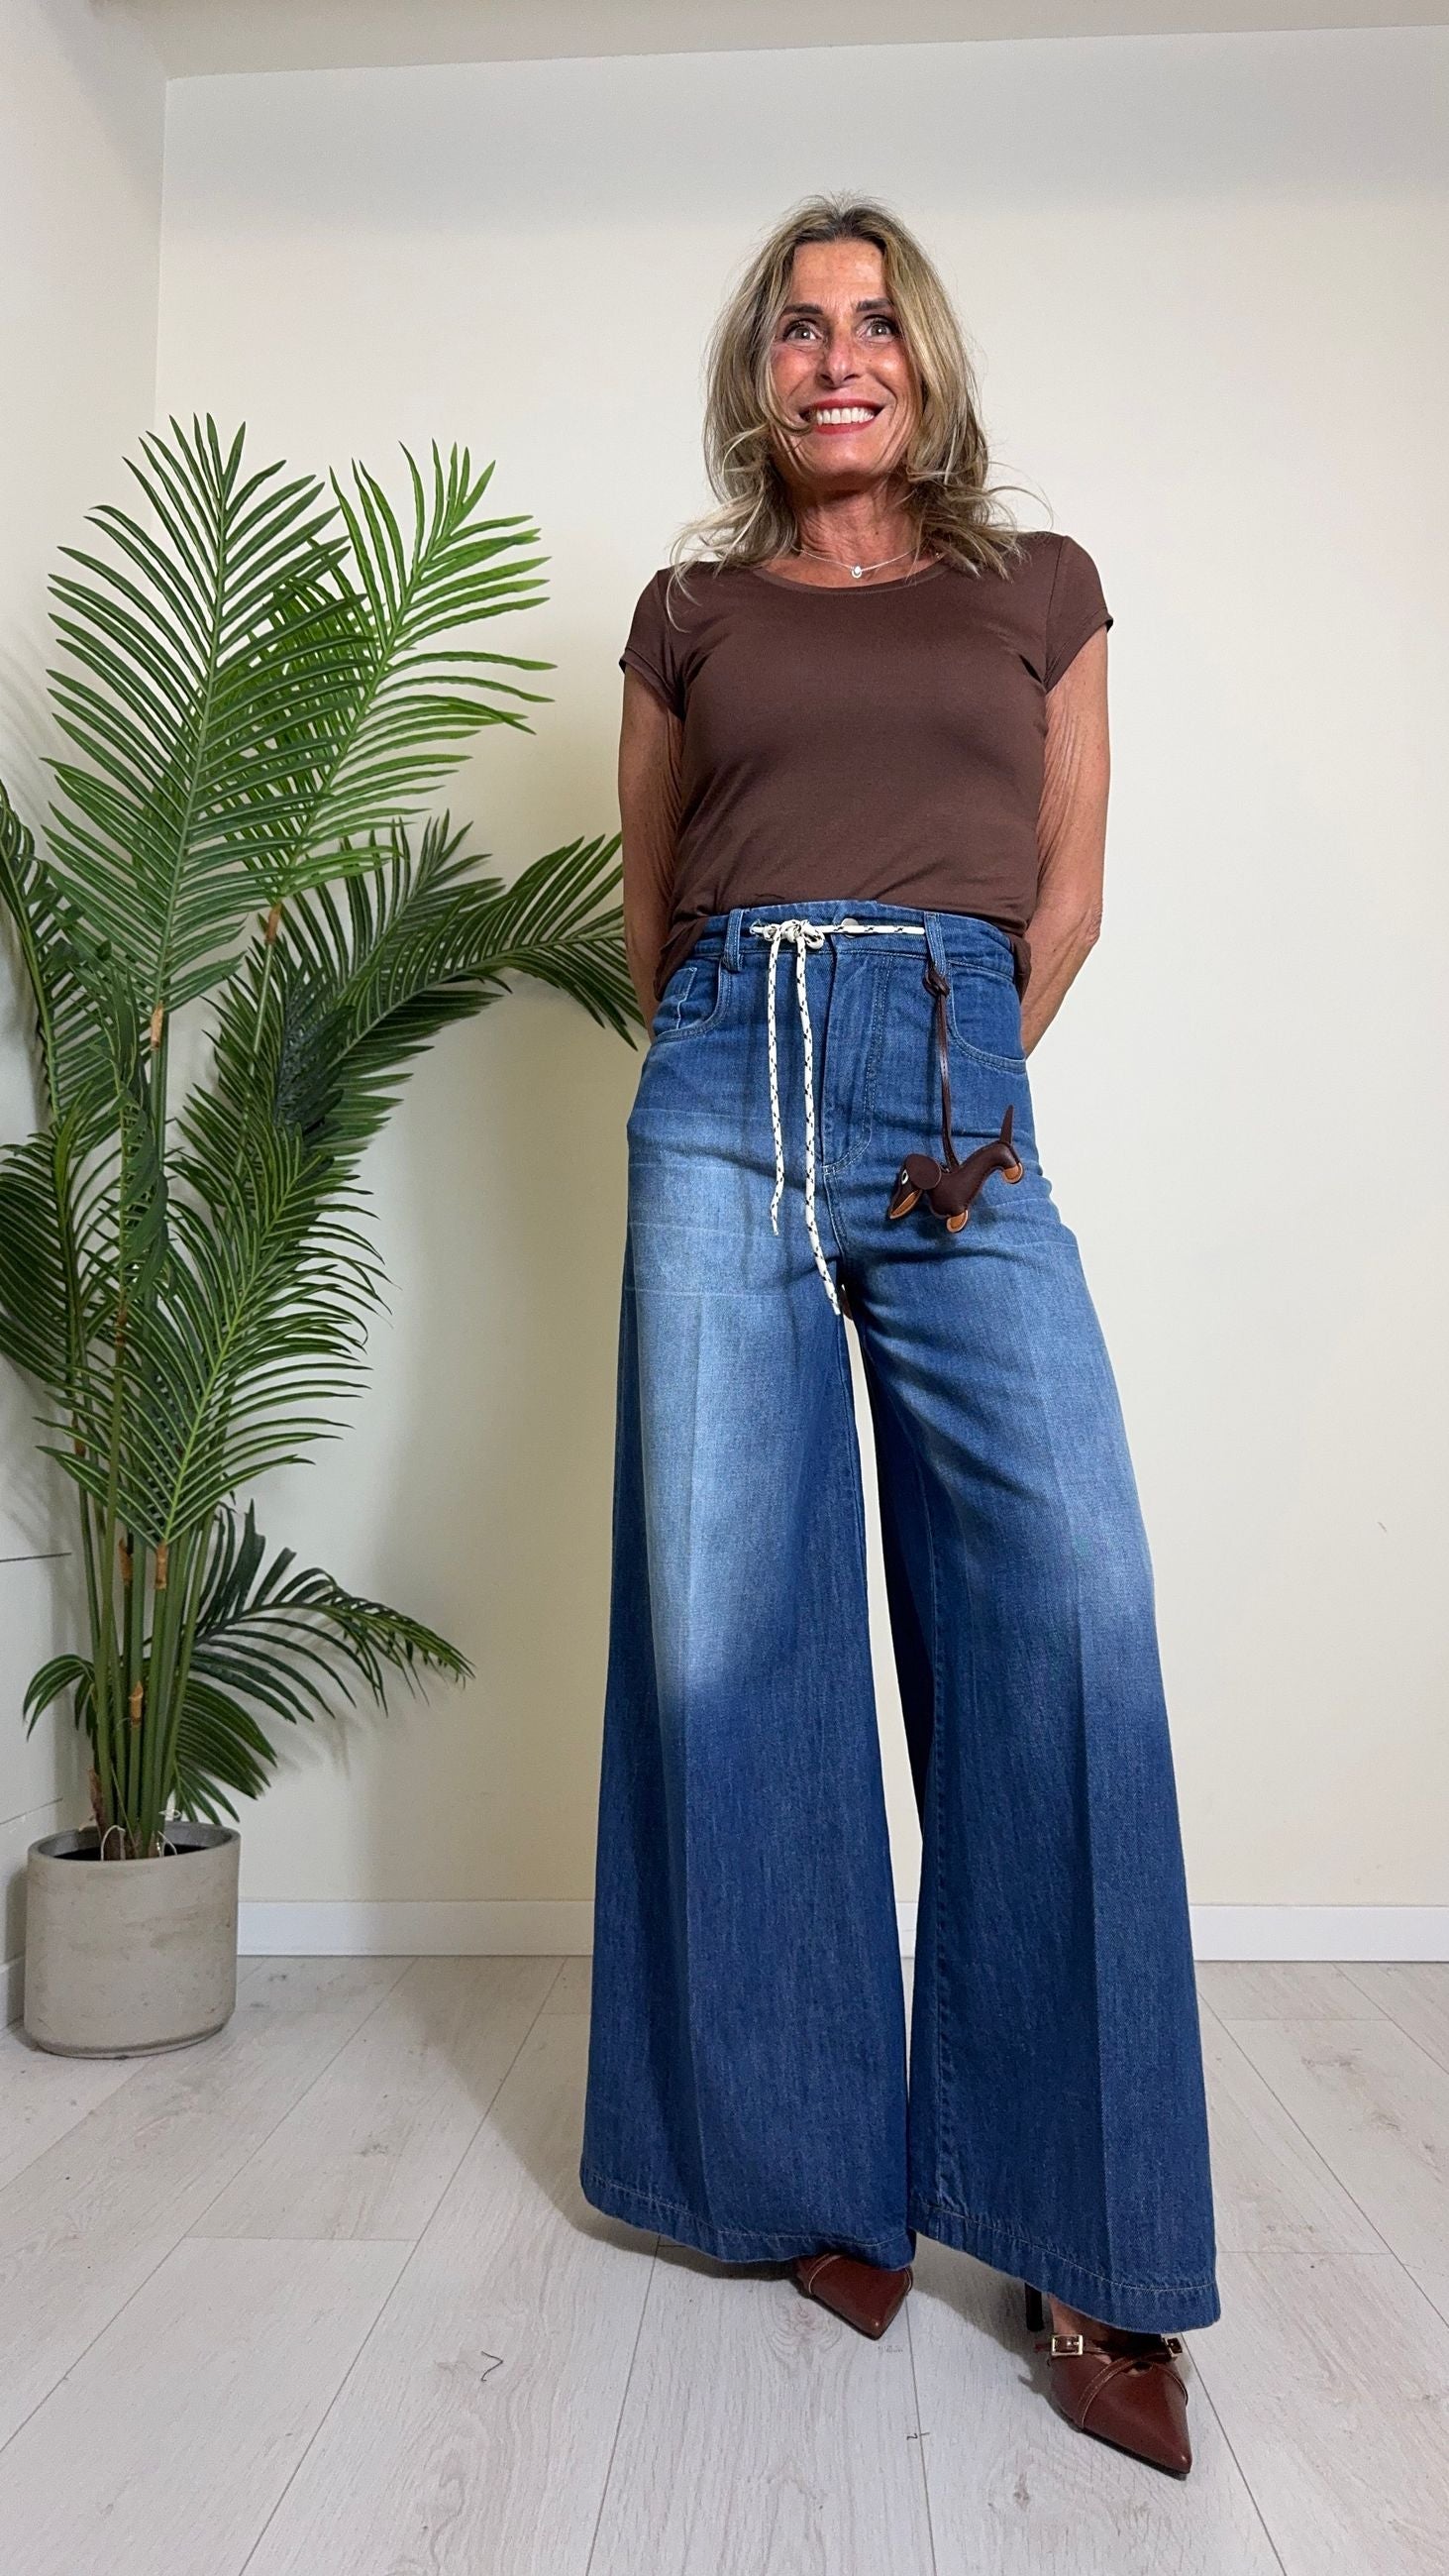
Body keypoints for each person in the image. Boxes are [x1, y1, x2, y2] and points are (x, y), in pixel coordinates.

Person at [579, 192, 1218, 2480]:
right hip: (721, 1090)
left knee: (1071, 1603)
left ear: (925, 362)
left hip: (959, 1098)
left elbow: (1072, 890)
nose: (835, 353)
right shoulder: (688, 615)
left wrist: (961, 1106)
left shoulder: (1038, 588)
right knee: (730, 1632)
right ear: (756, 376)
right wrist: (736, 1083)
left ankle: (1087, 2229)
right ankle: (809, 2167)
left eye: (871, 321)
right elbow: (648, 896)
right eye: (796, 325)